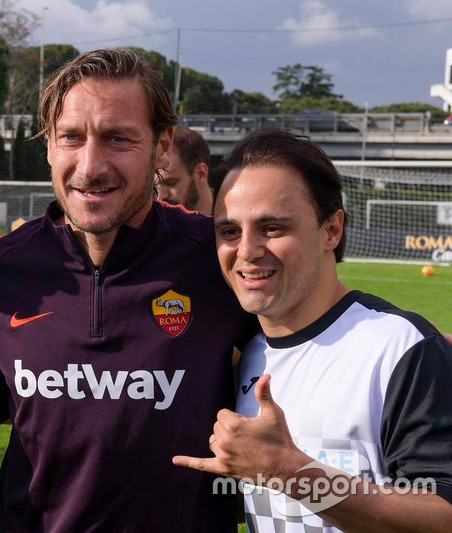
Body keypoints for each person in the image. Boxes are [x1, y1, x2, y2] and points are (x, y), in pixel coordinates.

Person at [0, 48, 255, 532]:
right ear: (49, 146)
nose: (91, 166)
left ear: (161, 147)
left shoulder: (216, 257)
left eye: (118, 139)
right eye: (71, 137)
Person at [173, 129, 452, 532]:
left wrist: (290, 472)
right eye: (230, 231)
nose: (247, 251)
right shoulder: (243, 353)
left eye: (272, 228)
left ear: (332, 230)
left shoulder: (399, 346)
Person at [157, 126, 214, 214]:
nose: (159, 198)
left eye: (171, 183)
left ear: (200, 174)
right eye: (153, 189)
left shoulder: (228, 224)